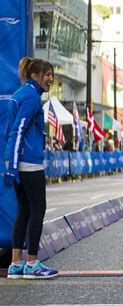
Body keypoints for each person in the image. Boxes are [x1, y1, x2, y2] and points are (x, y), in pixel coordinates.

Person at [4, 57, 58, 279]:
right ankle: (33, 263)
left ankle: (16, 264)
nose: (51, 79)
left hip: (20, 161)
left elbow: (9, 130)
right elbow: (17, 131)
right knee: (38, 209)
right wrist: (13, 165)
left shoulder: (20, 93)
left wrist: (11, 163)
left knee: (24, 211)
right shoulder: (32, 97)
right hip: (29, 162)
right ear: (35, 75)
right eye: (47, 74)